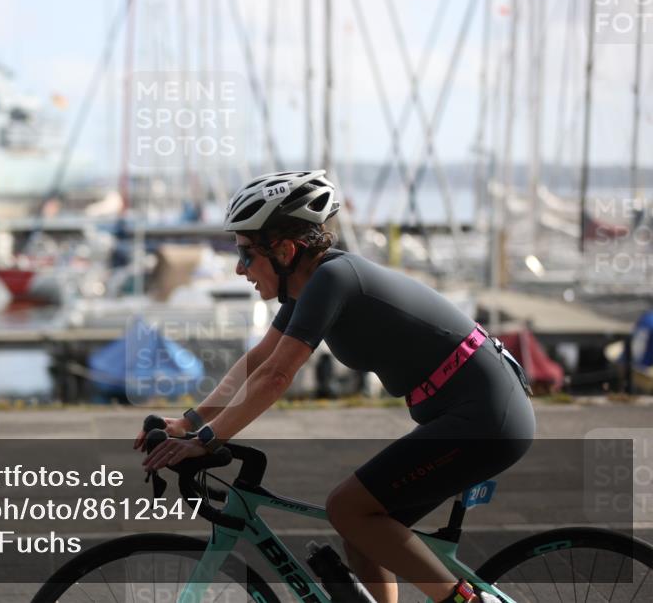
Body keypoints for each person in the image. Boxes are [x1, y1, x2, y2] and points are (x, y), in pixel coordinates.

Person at [135, 170, 535, 603]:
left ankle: (466, 602)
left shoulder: (334, 279)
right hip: (470, 410)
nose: (238, 267)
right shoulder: (307, 289)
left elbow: (276, 377)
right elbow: (257, 363)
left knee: (347, 507)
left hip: (487, 415)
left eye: (247, 254)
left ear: (285, 250)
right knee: (363, 535)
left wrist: (208, 440)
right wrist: (190, 421)